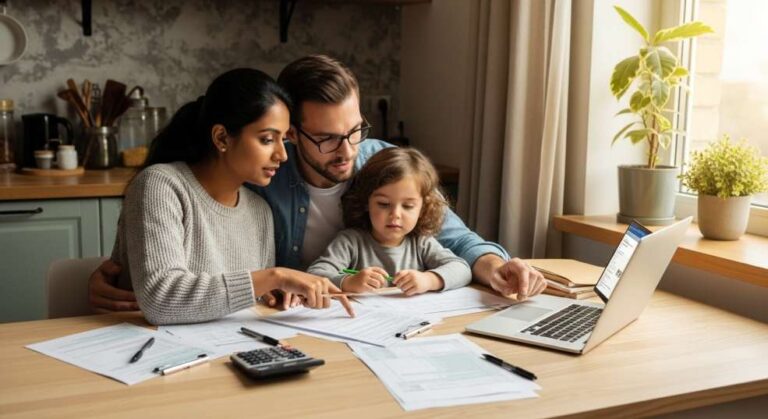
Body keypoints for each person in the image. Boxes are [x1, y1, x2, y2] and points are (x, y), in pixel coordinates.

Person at [88, 55, 546, 313]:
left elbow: (454, 237)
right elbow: (170, 260)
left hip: (337, 323)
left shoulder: (380, 163)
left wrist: (495, 265)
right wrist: (114, 271)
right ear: (292, 133)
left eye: (355, 130)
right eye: (326, 138)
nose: (347, 151)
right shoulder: (259, 178)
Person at [109, 68, 352, 325]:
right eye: (267, 139)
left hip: (227, 344)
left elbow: (247, 299)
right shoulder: (160, 185)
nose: (282, 155)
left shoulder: (260, 210)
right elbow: (160, 300)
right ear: (222, 138)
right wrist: (274, 277)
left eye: (283, 140)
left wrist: (273, 293)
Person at [307, 147, 471, 295]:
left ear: (422, 209)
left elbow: (462, 269)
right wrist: (348, 282)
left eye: (408, 206)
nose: (395, 214)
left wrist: (429, 280)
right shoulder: (350, 242)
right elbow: (314, 274)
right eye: (384, 204)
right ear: (366, 202)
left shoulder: (421, 243)